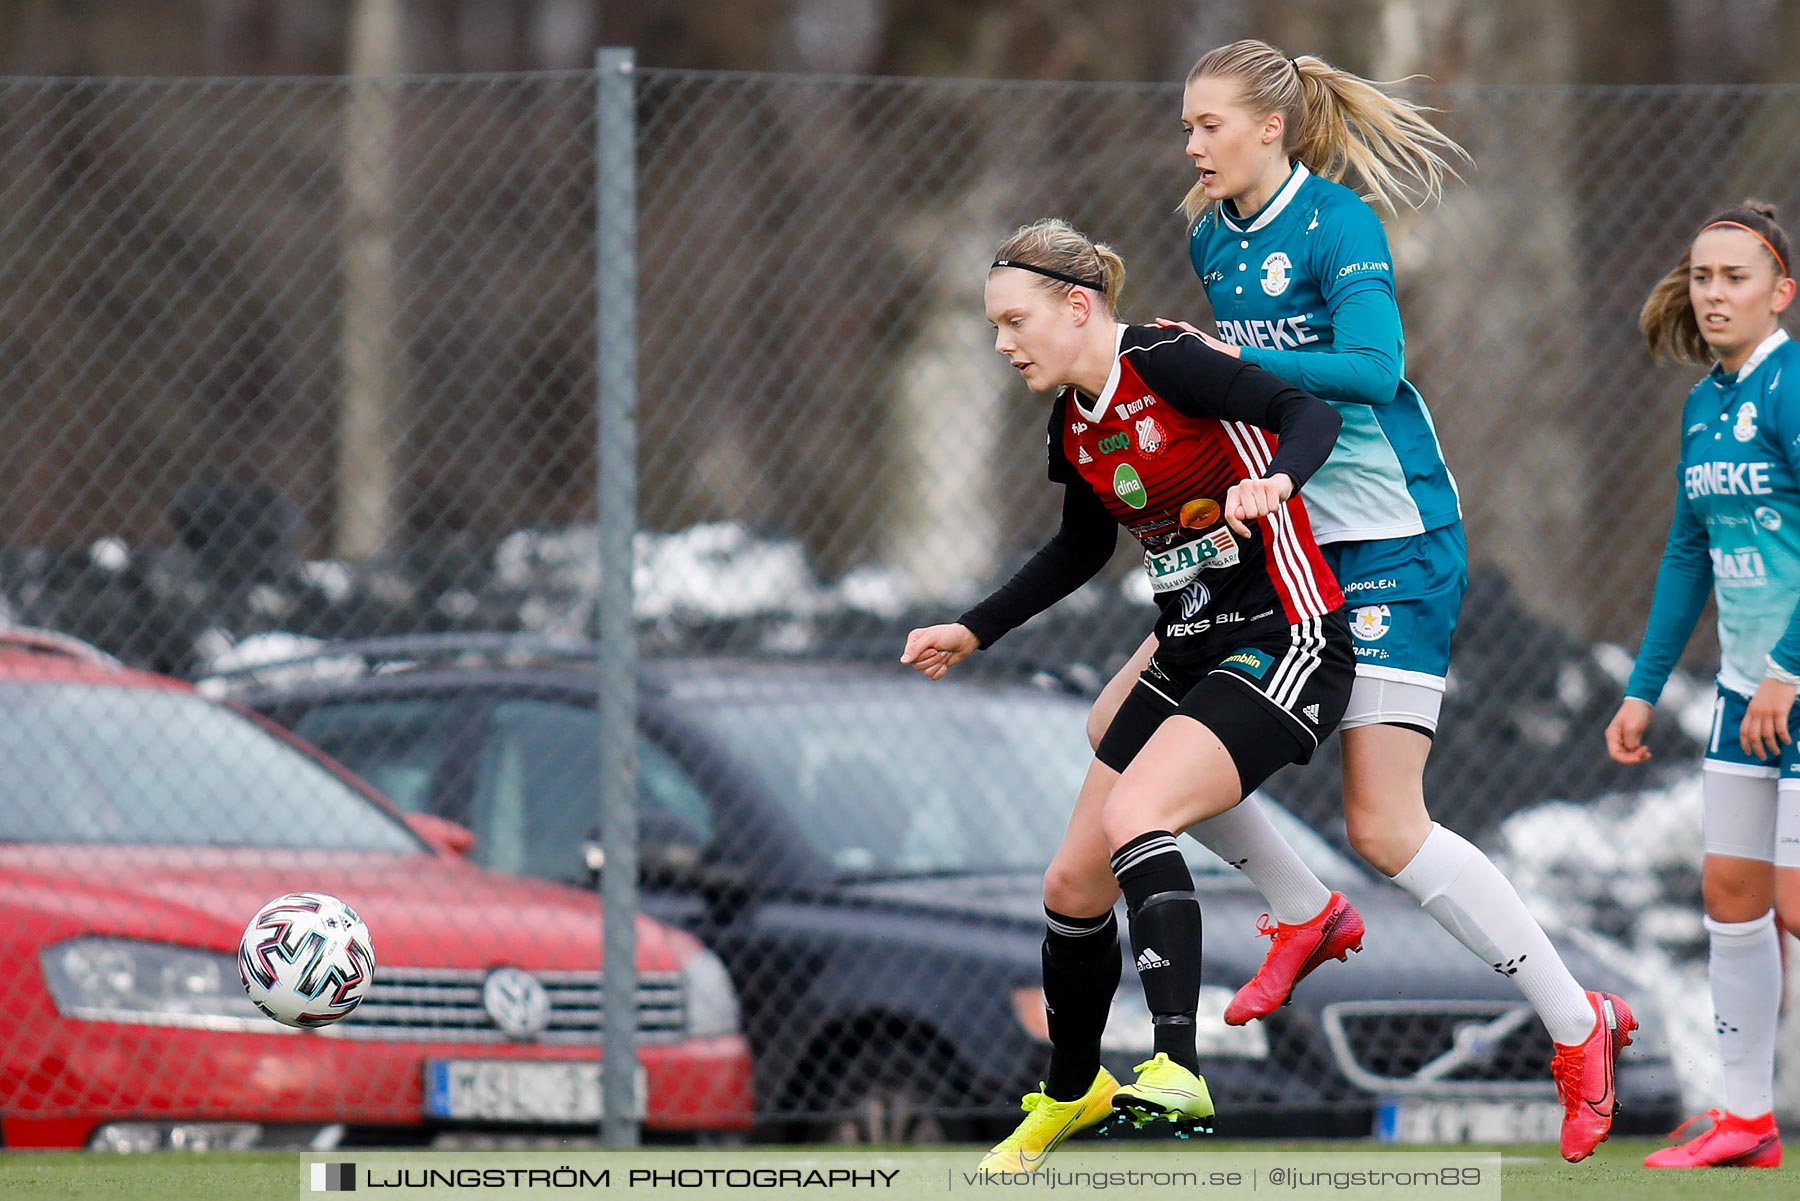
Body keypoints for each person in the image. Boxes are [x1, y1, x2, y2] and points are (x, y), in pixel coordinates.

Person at [1087, 38, 1632, 1163]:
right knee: (1124, 735)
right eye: (1185, 123)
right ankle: (1301, 906)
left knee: (1384, 824)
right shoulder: (1207, 232)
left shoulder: (1337, 225)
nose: (1188, 144)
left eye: (1207, 125)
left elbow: (1373, 371)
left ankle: (1581, 1028)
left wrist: (1221, 349)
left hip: (1393, 544)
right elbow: (1246, 395)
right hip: (1285, 543)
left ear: (1269, 129)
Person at [901, 217, 1353, 1173]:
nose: (1002, 343)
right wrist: (972, 629)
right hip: (1186, 647)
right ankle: (1072, 1091)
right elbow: (1080, 546)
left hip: (1288, 632)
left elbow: (1312, 415)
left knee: (1138, 812)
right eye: (993, 326)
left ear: (1079, 305)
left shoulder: (1167, 360)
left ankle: (1178, 1067)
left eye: (1015, 320)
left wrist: (1274, 481)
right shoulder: (1073, 417)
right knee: (1070, 884)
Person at [1606, 201, 1800, 1170]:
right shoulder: (1705, 403)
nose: (1714, 292)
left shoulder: (1794, 387)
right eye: (1702, 276)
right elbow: (1689, 552)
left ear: (1782, 292)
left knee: (1798, 902)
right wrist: (1643, 687)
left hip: (1793, 684)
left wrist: (1790, 667)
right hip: (1741, 693)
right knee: (1733, 893)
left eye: (1735, 276)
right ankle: (1746, 1118)